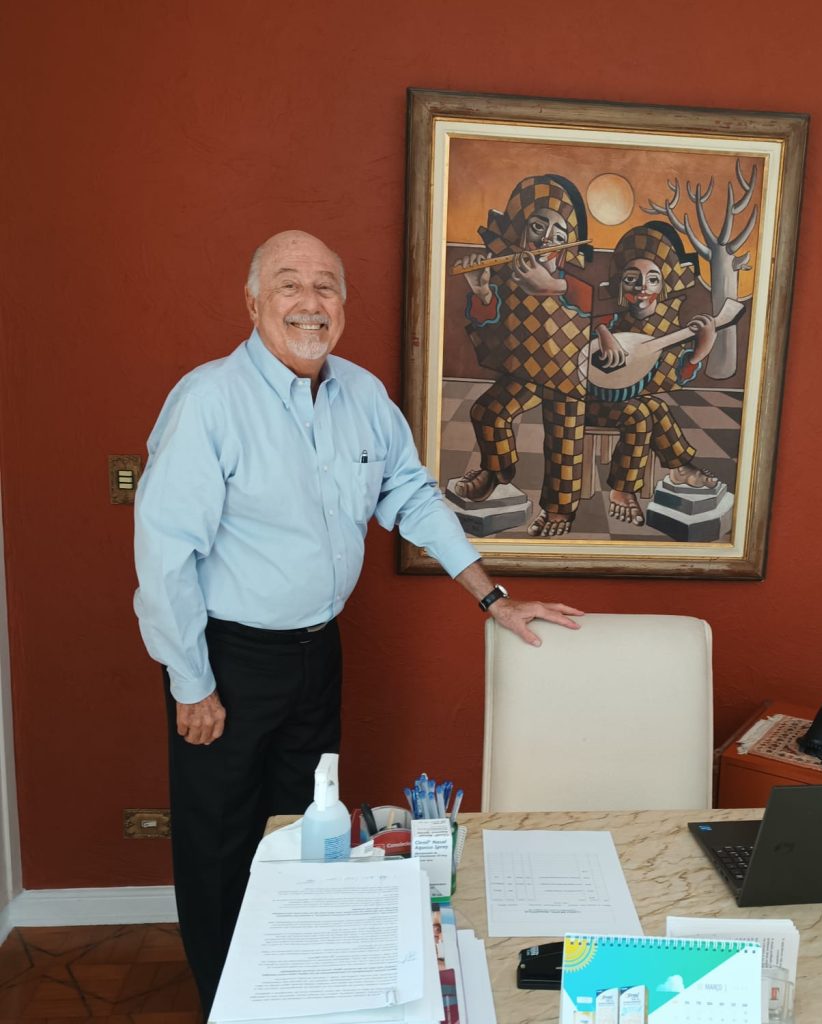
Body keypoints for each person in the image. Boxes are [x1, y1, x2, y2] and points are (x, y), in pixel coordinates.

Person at [133, 229, 582, 1018]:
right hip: (226, 663)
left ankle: (296, 998)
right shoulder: (208, 402)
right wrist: (191, 682)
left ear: (343, 304)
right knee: (219, 851)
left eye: (326, 286)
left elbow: (412, 497)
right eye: (288, 284)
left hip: (319, 655)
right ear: (253, 303)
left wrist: (494, 598)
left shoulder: (364, 397)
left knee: (308, 837)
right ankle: (227, 1007)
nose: (309, 302)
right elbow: (165, 554)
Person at [451, 174, 594, 537]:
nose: (546, 239)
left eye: (559, 235)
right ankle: (497, 471)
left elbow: (601, 304)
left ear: (568, 246)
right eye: (538, 226)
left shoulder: (574, 284)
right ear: (522, 229)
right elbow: (488, 327)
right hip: (528, 371)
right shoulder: (505, 274)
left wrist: (556, 286)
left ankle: (560, 509)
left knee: (564, 437)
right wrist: (483, 294)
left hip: (571, 376)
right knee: (487, 412)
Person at [586, 222, 719, 527]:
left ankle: (680, 467)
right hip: (588, 401)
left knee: (654, 406)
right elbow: (579, 326)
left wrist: (700, 350)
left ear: (662, 286)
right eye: (632, 279)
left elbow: (670, 378)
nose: (641, 287)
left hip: (630, 399)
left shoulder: (665, 325)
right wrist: (603, 331)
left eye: (652, 279)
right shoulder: (608, 314)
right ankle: (622, 490)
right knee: (638, 414)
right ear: (620, 283)